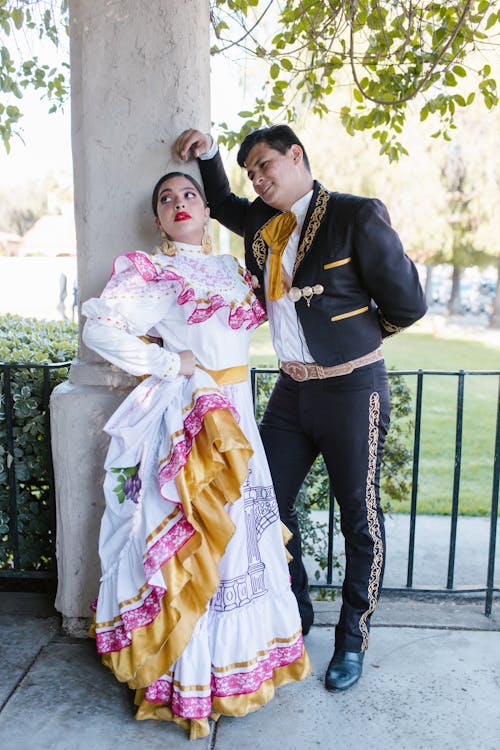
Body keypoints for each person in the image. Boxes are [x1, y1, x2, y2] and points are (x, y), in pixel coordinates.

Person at [175, 126, 428, 692]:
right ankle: (297, 606)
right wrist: (210, 155)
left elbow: (409, 303)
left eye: (266, 166)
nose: (260, 180)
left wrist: (354, 341)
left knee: (360, 517)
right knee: (263, 501)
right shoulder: (263, 225)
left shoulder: (356, 215)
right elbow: (219, 203)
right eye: (252, 174)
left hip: (351, 388)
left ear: (297, 156)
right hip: (292, 394)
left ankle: (352, 641)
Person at [81, 172, 311, 740]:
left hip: (238, 419)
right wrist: (169, 363)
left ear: (208, 209)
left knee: (238, 546)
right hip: (191, 420)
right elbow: (101, 330)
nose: (179, 204)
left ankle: (231, 673)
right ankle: (188, 684)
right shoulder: (155, 272)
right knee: (194, 547)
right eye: (166, 199)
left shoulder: (234, 268)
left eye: (188, 195)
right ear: (158, 218)